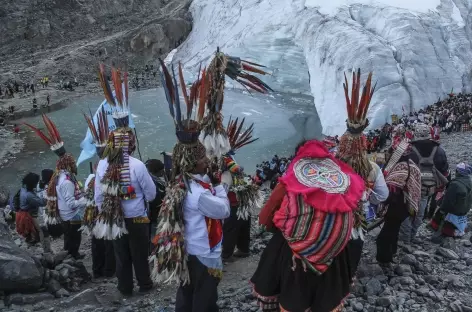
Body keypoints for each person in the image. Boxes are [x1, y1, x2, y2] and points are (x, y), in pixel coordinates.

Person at [252, 140, 365, 312]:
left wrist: (276, 226)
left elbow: (267, 216)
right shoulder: (340, 180)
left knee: (276, 267)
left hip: (296, 255)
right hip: (332, 251)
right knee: (327, 293)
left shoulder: (290, 182)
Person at [94, 65, 156, 295]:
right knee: (139, 254)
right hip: (137, 217)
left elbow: (99, 196)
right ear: (129, 142)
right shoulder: (138, 165)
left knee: (121, 254)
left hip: (115, 217)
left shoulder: (102, 165)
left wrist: (109, 210)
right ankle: (145, 284)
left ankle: (125, 287)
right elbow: (151, 194)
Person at [335, 70, 389, 276]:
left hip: (331, 217)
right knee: (354, 247)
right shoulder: (372, 168)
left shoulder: (332, 165)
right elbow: (382, 196)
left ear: (343, 143)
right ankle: (347, 278)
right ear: (364, 144)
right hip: (358, 219)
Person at [24, 114, 86, 259]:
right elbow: (71, 202)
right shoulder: (66, 181)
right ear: (68, 164)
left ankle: (68, 253)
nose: (74, 164)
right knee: (74, 235)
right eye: (73, 162)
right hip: (70, 213)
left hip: (63, 212)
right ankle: (73, 254)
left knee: (69, 235)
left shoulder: (58, 176)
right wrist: (85, 200)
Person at [399, 122, 449, 244]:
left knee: (405, 212)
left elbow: (399, 168)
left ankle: (404, 239)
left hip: (408, 188)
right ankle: (412, 236)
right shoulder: (439, 150)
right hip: (427, 188)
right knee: (420, 212)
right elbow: (445, 170)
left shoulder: (408, 149)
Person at [221, 117, 262, 261]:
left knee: (231, 227)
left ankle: (226, 254)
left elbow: (226, 183)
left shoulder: (225, 161)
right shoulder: (230, 158)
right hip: (243, 197)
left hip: (234, 200)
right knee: (244, 223)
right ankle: (243, 249)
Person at [82, 108, 116, 278]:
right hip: (103, 212)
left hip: (96, 213)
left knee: (98, 243)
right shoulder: (107, 170)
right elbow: (99, 197)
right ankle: (108, 270)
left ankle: (98, 269)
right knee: (107, 241)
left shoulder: (91, 177)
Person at [376, 141, 422, 265]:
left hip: (396, 206)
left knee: (386, 233)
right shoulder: (412, 164)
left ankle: (384, 259)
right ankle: (392, 252)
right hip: (406, 206)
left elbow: (391, 190)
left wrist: (381, 205)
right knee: (394, 230)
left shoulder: (401, 167)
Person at [429, 162, 472, 238]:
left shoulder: (455, 184)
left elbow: (447, 201)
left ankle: (441, 231)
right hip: (464, 209)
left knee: (439, 213)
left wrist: (441, 208)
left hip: (454, 211)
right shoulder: (469, 182)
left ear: (458, 172)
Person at [16, 172, 47, 245]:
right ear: (32, 183)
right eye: (36, 183)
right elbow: (42, 203)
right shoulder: (29, 195)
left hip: (22, 212)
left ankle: (31, 240)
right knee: (41, 230)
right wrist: (46, 193)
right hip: (28, 215)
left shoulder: (23, 188)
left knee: (30, 231)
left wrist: (40, 188)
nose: (37, 184)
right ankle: (45, 247)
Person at [145, 158, 167, 252]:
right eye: (161, 171)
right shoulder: (153, 183)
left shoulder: (155, 179)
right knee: (154, 235)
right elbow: (154, 200)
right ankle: (154, 252)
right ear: (155, 172)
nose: (163, 173)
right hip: (153, 215)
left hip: (153, 215)